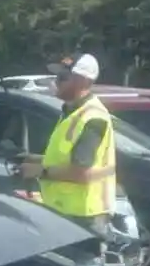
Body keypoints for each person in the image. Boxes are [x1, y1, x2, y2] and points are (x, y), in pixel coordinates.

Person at [18, 53, 116, 241]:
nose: (56, 81)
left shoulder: (93, 118)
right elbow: (64, 158)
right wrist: (32, 158)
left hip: (84, 216)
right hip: (66, 212)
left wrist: (37, 170)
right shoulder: (72, 112)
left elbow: (81, 172)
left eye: (63, 77)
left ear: (82, 81)